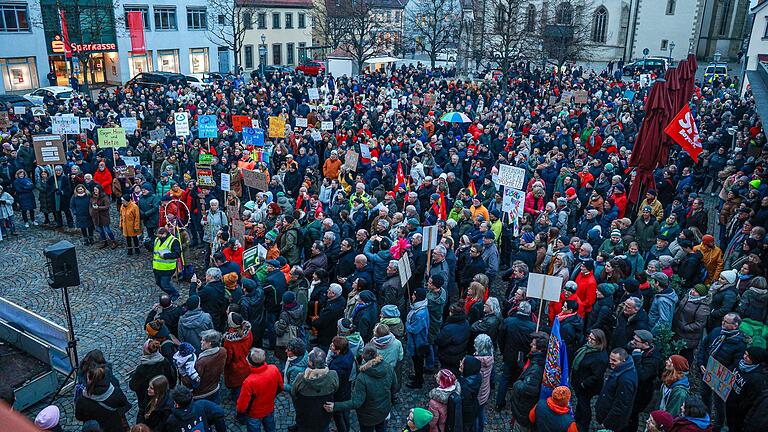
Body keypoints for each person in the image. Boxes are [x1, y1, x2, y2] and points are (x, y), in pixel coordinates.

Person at [325, 345, 397, 432]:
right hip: (384, 411)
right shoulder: (388, 367)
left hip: (367, 417)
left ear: (363, 357)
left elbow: (356, 402)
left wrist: (335, 406)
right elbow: (394, 387)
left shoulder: (362, 378)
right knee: (381, 428)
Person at [291, 347, 339, 432]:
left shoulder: (301, 378)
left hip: (305, 417)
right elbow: (335, 389)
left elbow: (293, 392)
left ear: (310, 362)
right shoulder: (333, 375)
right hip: (324, 416)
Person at [129, 339, 177, 424]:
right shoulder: (164, 362)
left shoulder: (141, 369)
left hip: (146, 400)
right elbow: (172, 379)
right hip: (163, 395)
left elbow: (133, 386)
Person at [571, 329, 609, 431]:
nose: (589, 340)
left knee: (585, 405)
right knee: (580, 402)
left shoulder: (600, 357)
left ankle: (583, 425)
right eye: (589, 337)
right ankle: (577, 418)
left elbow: (596, 376)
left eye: (593, 339)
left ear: (599, 341)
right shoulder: (588, 348)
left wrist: (583, 384)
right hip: (579, 381)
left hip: (587, 387)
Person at [237, 348, 283, 432]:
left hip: (254, 414)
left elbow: (242, 405)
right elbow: (280, 387)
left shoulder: (248, 382)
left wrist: (240, 413)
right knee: (270, 428)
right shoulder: (274, 369)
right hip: (269, 407)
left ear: (250, 363)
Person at [509, 332, 547, 430]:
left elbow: (529, 389)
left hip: (524, 410)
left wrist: (517, 384)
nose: (530, 345)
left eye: (533, 344)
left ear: (540, 349)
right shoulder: (537, 360)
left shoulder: (537, 368)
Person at [595, 348, 638, 432]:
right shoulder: (622, 368)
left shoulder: (626, 380)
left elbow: (620, 406)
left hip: (612, 423)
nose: (610, 362)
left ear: (623, 360)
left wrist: (607, 423)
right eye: (610, 358)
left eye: (614, 360)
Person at [223, 312, 253, 398]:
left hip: (235, 367)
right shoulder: (248, 332)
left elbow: (228, 357)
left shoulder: (229, 341)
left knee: (237, 387)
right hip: (247, 362)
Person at [195, 329, 227, 402]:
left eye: (203, 340)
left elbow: (197, 378)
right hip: (215, 387)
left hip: (203, 393)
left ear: (209, 343)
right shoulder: (223, 351)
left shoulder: (202, 361)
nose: (201, 342)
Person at [153, 227, 182, 300]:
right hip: (157, 267)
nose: (158, 237)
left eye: (160, 235)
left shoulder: (174, 241)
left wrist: (165, 256)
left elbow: (177, 254)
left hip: (167, 268)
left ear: (165, 234)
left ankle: (175, 294)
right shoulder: (157, 240)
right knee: (158, 283)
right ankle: (171, 293)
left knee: (165, 284)